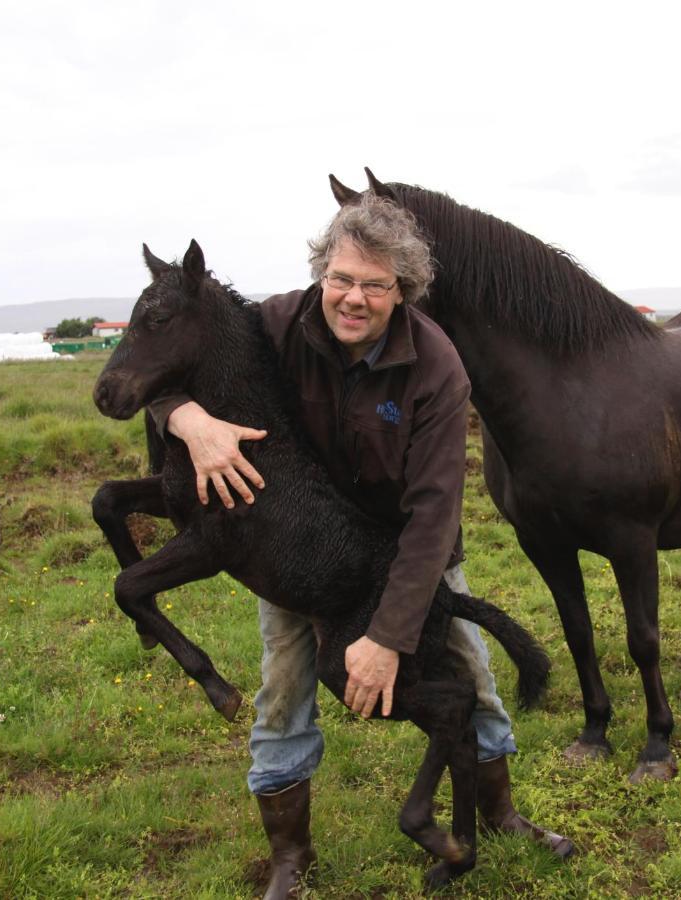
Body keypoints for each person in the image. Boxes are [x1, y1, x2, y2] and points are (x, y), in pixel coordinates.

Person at [150, 194, 573, 898]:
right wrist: (186, 418)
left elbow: (435, 511)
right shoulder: (274, 323)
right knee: (283, 688)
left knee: (469, 671)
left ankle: (497, 813)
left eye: (375, 285)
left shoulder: (436, 366)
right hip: (300, 544)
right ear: (322, 274)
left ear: (402, 291)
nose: (353, 298)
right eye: (341, 278)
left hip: (409, 548)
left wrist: (389, 635)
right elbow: (175, 353)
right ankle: (290, 856)